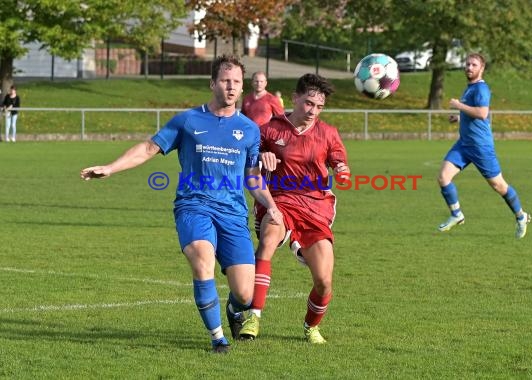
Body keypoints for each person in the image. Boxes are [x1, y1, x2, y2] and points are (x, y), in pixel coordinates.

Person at [80, 54, 283, 353]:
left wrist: (271, 203)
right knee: (202, 260)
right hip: (193, 206)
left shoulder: (250, 130)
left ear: (242, 88)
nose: (231, 86)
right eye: (225, 80)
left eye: (236, 82)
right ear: (213, 83)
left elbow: (252, 178)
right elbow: (149, 148)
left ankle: (232, 311)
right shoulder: (188, 120)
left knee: (244, 293)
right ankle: (218, 338)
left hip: (232, 212)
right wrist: (111, 167)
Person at [237, 73, 350, 344]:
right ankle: (253, 316)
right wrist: (261, 156)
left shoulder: (328, 133)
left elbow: (338, 159)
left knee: (324, 281)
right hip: (279, 200)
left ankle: (311, 326)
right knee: (267, 240)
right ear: (295, 98)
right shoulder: (270, 130)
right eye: (308, 103)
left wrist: (342, 168)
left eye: (319, 106)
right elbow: (248, 165)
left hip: (314, 207)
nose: (313, 111)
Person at [437, 53, 531, 238]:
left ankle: (521, 216)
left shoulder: (481, 89)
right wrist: (459, 117)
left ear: (482, 68)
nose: (469, 67)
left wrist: (458, 106)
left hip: (480, 147)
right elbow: (479, 115)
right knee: (443, 177)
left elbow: (481, 113)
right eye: (467, 64)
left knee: (499, 186)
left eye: (473, 65)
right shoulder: (470, 88)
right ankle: (457, 215)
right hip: (464, 144)